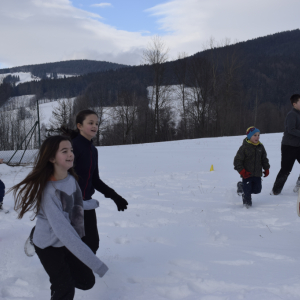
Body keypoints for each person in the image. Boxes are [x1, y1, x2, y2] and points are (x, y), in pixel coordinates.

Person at [9, 135, 108, 300]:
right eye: (64, 151)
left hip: (62, 238)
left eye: (71, 150)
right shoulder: (49, 192)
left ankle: (40, 236)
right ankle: (37, 236)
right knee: (64, 289)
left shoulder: (70, 179)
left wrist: (90, 204)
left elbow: (74, 202)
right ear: (51, 158)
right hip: (48, 245)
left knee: (86, 282)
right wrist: (96, 264)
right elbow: (67, 234)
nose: (71, 154)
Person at [62, 109, 128, 254]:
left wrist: (114, 196)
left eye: (97, 123)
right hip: (69, 202)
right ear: (79, 126)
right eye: (90, 123)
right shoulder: (72, 147)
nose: (95, 126)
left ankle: (80, 271)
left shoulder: (93, 150)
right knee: (67, 240)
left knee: (92, 244)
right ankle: (38, 234)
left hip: (86, 202)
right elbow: (61, 174)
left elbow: (95, 180)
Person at [234, 126, 270, 207]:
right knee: (247, 191)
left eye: (258, 135)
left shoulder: (261, 147)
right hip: (247, 174)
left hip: (257, 174)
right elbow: (237, 161)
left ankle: (241, 186)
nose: (257, 137)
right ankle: (247, 205)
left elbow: (264, 159)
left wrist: (266, 168)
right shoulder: (244, 148)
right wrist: (242, 171)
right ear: (249, 136)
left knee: (257, 190)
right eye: (255, 135)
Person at [272, 94, 300, 195]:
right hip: (289, 146)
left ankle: (299, 183)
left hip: (298, 146)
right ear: (294, 104)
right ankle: (276, 191)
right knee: (286, 169)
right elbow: (291, 130)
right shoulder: (291, 114)